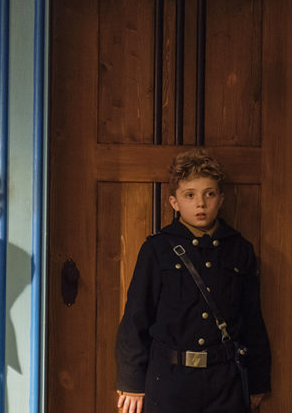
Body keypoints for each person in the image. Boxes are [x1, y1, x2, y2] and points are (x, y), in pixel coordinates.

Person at [115, 149, 270, 413]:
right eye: (190, 195)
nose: (200, 204)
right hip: (169, 380)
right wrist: (132, 382)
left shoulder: (239, 249)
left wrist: (257, 381)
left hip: (225, 382)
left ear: (221, 199)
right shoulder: (157, 249)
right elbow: (136, 317)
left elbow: (252, 319)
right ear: (174, 202)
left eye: (209, 194)